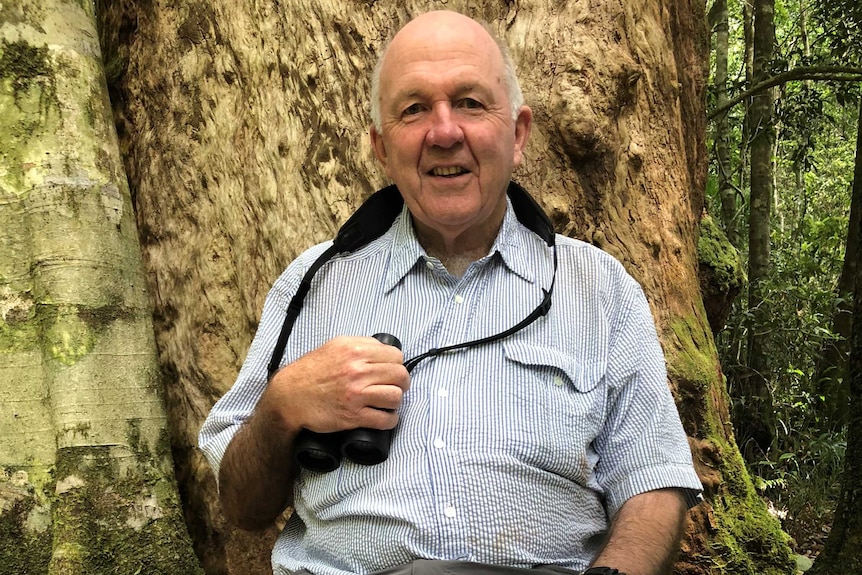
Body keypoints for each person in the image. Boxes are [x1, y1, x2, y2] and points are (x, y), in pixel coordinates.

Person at [199, 10, 703, 575]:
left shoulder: (601, 290)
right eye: (414, 109)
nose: (444, 133)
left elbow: (654, 483)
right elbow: (242, 506)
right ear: (382, 148)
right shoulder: (311, 284)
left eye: (469, 102)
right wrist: (281, 406)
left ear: (517, 134)